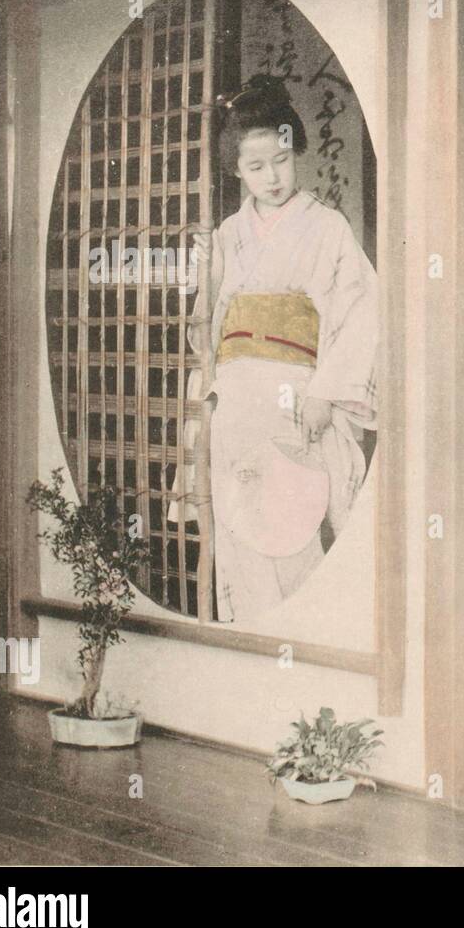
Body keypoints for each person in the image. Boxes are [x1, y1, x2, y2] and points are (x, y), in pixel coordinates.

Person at [172, 74, 377, 625]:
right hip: (237, 397)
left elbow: (361, 313)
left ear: (298, 152)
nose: (272, 177)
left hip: (297, 392)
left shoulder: (328, 227)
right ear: (236, 170)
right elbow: (205, 328)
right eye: (255, 166)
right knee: (239, 520)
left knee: (292, 517)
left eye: (281, 160)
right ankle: (252, 644)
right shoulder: (227, 235)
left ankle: (302, 636)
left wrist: (327, 393)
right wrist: (207, 274)